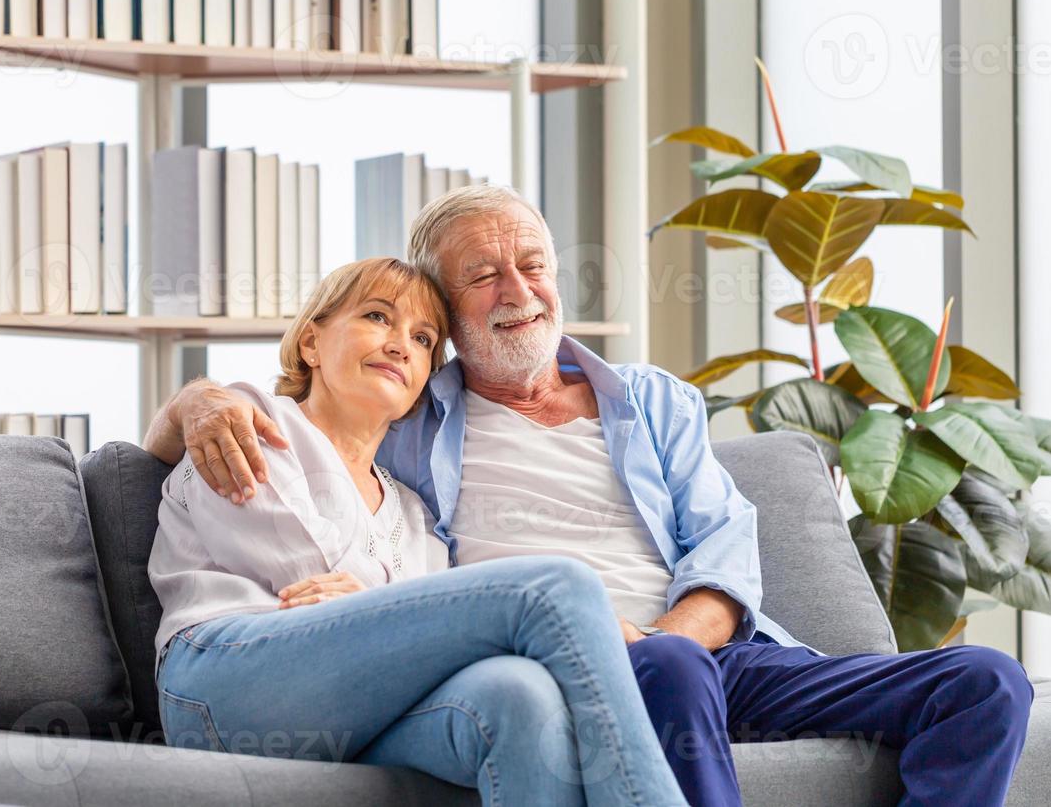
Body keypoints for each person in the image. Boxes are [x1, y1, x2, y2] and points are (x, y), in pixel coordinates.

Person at [147, 186, 1036, 807]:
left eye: (533, 265)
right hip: (575, 662)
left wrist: (668, 640)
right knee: (662, 669)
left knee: (985, 681)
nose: (519, 291)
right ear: (451, 318)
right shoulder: (409, 412)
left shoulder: (653, 402)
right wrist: (196, 399)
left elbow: (723, 545)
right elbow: (290, 431)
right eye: (483, 278)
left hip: (708, 654)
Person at [148, 256, 687, 807]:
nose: (401, 344)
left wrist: (379, 609)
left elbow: (421, 638)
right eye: (378, 317)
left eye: (424, 338)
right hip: (222, 681)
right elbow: (302, 570)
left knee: (519, 698)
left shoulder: (412, 511)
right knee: (560, 589)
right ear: (311, 344)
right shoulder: (250, 421)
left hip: (352, 706)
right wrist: (387, 608)